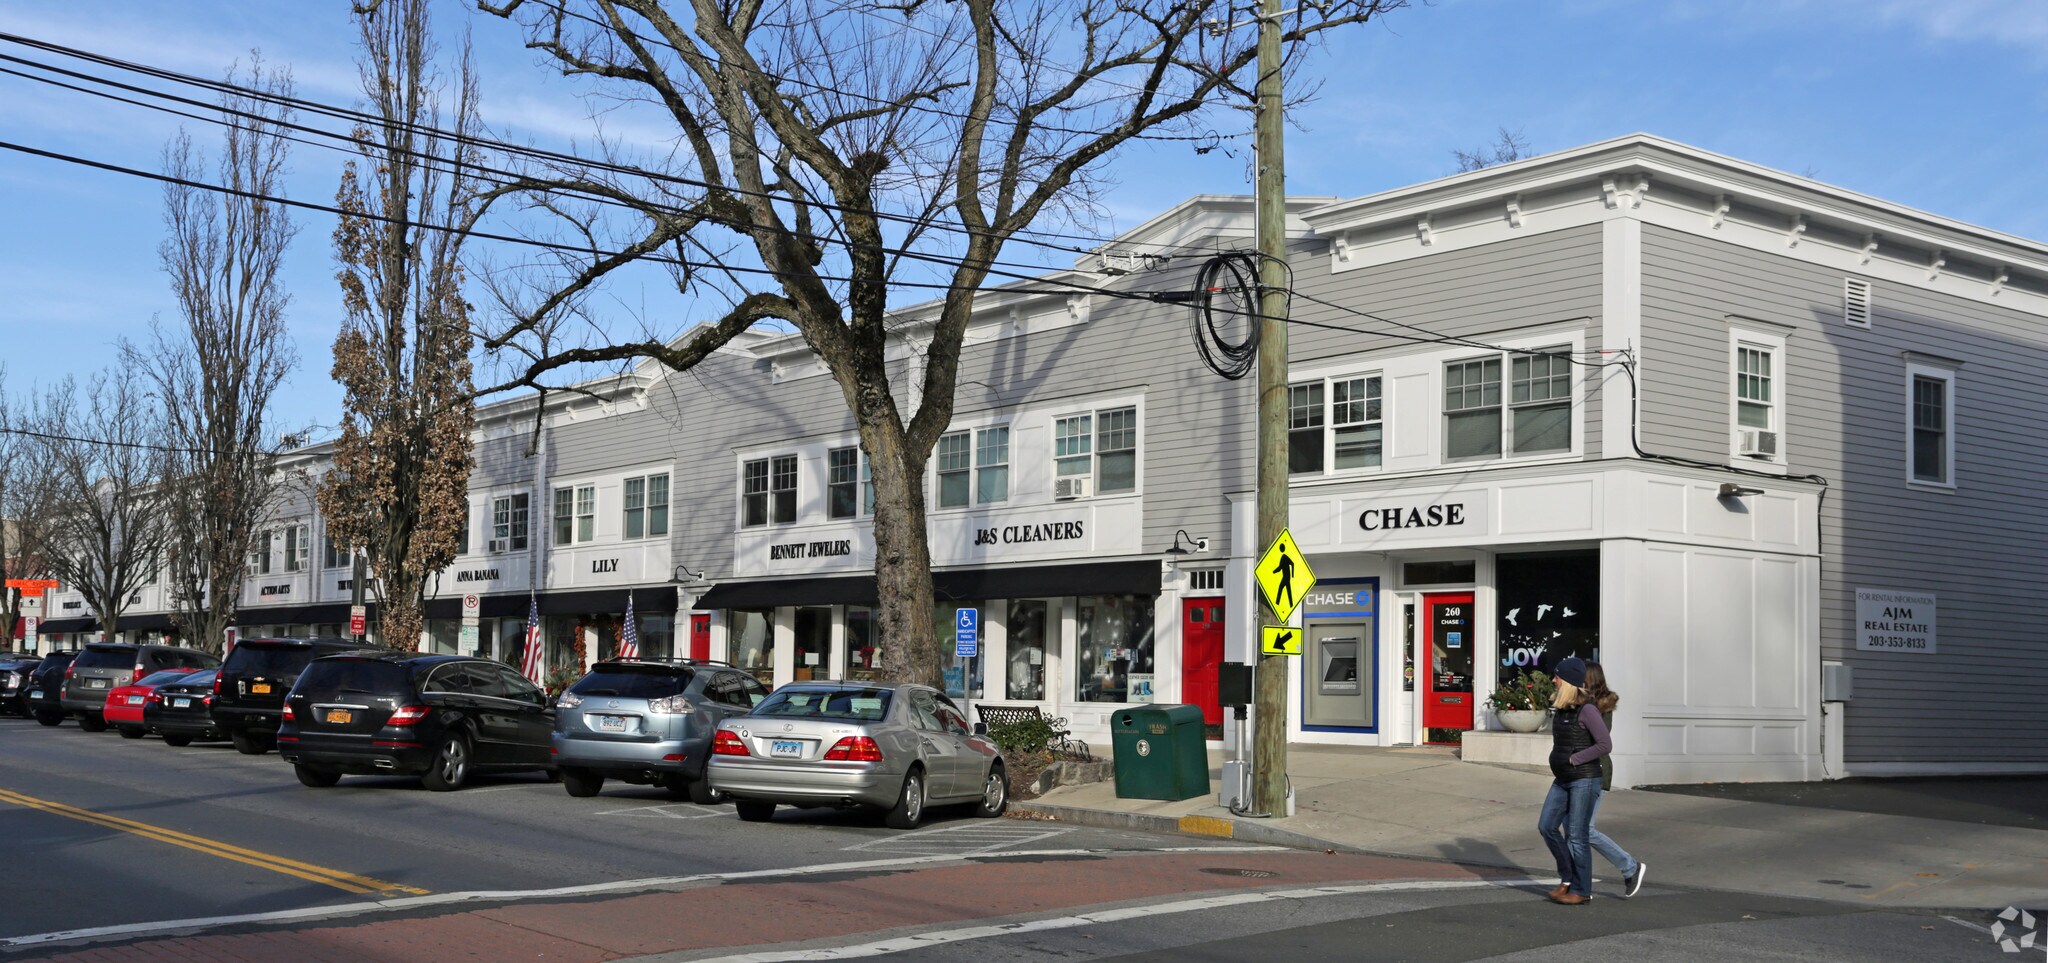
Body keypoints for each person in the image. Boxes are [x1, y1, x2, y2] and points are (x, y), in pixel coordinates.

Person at [1536, 656, 1608, 905]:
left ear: (1567, 681)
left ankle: (1582, 890)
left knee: (1576, 835)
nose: (1553, 680)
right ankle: (1567, 878)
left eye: (1557, 676)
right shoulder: (1562, 709)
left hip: (1584, 780)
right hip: (1562, 779)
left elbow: (1604, 744)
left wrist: (1575, 759)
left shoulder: (1588, 710)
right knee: (1546, 826)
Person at [1581, 662, 1647, 899]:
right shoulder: (1583, 704)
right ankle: (1579, 883)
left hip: (1596, 771)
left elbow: (1598, 741)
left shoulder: (1600, 707)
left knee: (1584, 830)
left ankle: (1630, 867)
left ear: (1588, 678)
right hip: (1581, 772)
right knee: (1574, 829)